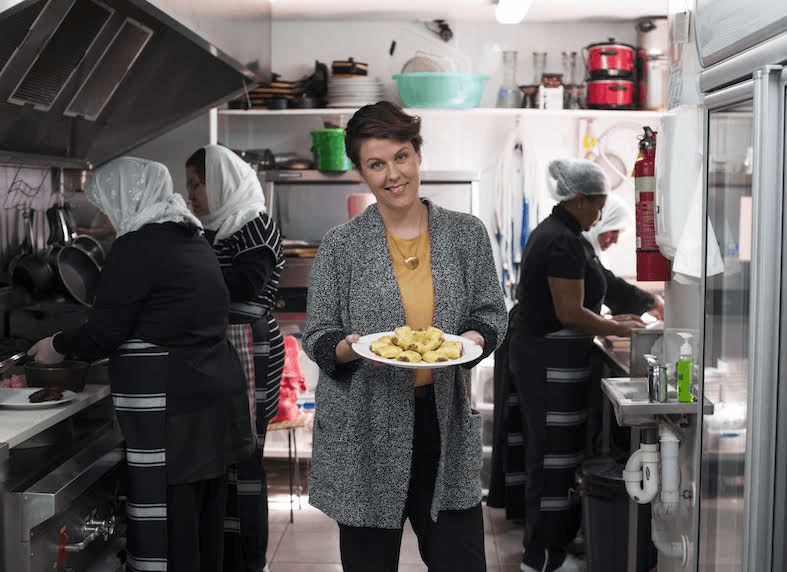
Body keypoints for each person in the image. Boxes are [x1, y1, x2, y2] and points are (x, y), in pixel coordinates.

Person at [301, 101, 508, 572]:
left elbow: (492, 311)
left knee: (461, 561)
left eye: (401, 156)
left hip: (443, 421)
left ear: (417, 155)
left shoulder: (466, 234)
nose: (392, 174)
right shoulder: (341, 244)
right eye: (376, 164)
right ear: (361, 173)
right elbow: (318, 332)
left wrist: (473, 337)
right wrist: (348, 347)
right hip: (365, 428)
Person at [27, 157, 255, 571]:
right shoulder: (190, 235)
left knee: (176, 535)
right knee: (204, 531)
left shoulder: (137, 245)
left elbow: (105, 331)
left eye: (105, 204)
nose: (103, 215)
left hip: (177, 414)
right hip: (211, 403)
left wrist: (56, 346)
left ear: (125, 197)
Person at [508, 158, 660, 572]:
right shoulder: (560, 240)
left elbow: (604, 284)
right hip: (548, 362)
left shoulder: (569, 236)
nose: (599, 212)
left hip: (555, 360)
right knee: (551, 457)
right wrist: (619, 327)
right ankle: (541, 559)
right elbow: (571, 313)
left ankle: (551, 548)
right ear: (579, 199)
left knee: (559, 455)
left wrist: (643, 307)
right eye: (598, 204)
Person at [185, 144, 286, 572]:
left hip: (251, 346)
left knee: (244, 457)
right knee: (222, 456)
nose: (190, 194)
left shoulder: (252, 226)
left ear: (221, 182)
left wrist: (187, 272)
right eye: (188, 184)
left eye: (197, 184)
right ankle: (223, 556)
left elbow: (244, 286)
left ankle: (249, 559)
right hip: (221, 345)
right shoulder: (210, 228)